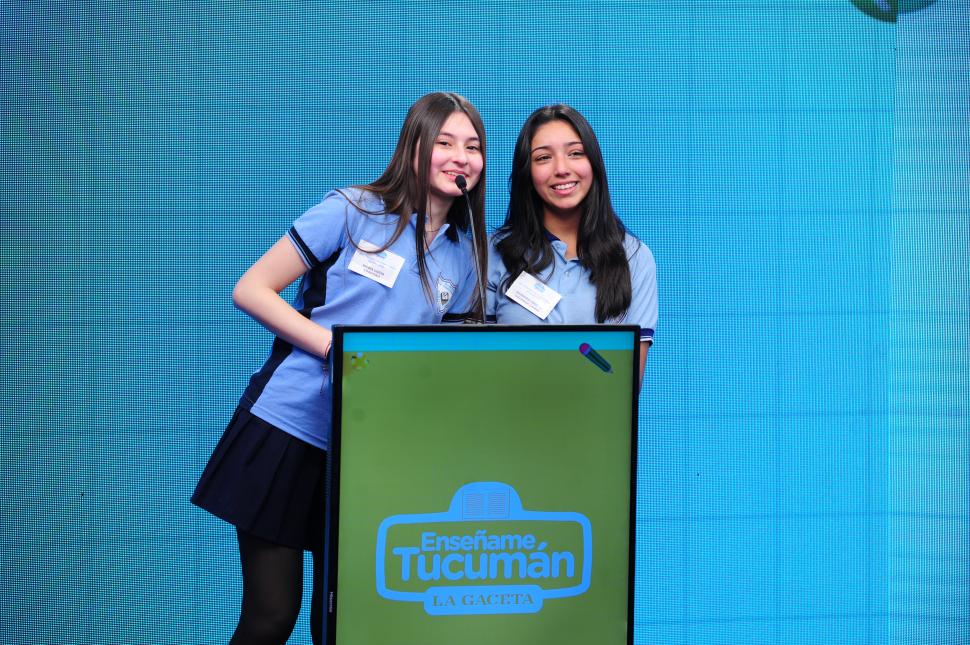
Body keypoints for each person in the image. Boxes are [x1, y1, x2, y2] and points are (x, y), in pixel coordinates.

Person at [191, 92, 486, 644]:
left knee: (341, 625)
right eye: (445, 142)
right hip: (287, 430)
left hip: (368, 451)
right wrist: (337, 350)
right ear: (414, 147)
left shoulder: (465, 255)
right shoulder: (353, 209)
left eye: (473, 147)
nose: (461, 157)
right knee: (271, 617)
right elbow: (251, 289)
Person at [487, 104, 657, 380]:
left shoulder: (634, 257)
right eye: (543, 158)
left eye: (575, 153)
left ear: (594, 163)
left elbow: (626, 384)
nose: (562, 169)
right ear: (527, 172)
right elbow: (478, 366)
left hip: (598, 409)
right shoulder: (493, 252)